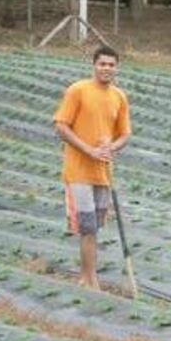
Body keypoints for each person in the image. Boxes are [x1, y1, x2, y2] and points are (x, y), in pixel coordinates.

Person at [53, 46, 132, 290]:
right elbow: (61, 127)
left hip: (103, 173)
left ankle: (87, 277)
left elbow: (125, 133)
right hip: (78, 171)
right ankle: (90, 280)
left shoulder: (118, 97)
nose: (107, 68)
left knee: (95, 227)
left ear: (116, 68)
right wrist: (89, 150)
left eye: (111, 65)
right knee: (87, 227)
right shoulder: (78, 91)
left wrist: (113, 147)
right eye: (102, 64)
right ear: (94, 65)